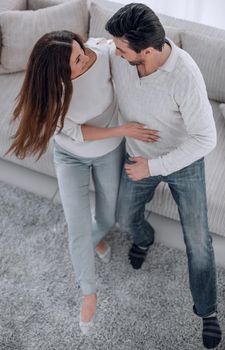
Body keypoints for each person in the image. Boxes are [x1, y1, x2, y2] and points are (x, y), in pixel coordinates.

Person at [6, 30, 159, 335]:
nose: (86, 57)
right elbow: (77, 133)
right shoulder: (53, 94)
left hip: (107, 154)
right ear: (62, 76)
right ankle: (89, 293)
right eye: (78, 60)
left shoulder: (100, 53)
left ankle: (97, 236)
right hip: (71, 157)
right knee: (77, 228)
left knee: (107, 215)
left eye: (82, 49)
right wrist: (123, 130)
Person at [105, 3, 222, 349]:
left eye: (121, 48)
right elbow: (88, 49)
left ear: (147, 51)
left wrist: (152, 168)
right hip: (138, 154)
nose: (115, 51)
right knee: (124, 218)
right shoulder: (119, 54)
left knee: (199, 244)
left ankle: (207, 311)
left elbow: (206, 138)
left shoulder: (185, 74)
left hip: (183, 162)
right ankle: (144, 238)